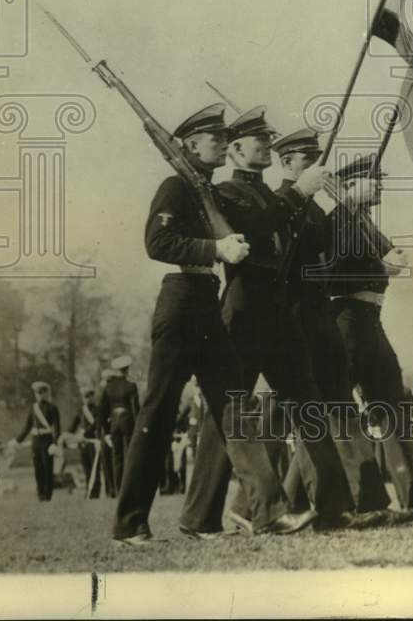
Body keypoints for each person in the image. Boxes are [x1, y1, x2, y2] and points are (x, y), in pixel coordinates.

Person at [113, 103, 317, 545]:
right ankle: (129, 523)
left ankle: (263, 514)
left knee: (235, 408)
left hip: (206, 302)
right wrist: (215, 250)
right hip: (181, 300)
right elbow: (158, 241)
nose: (225, 143)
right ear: (189, 145)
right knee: (159, 411)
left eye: (226, 137)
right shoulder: (176, 186)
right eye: (216, 138)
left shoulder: (205, 189)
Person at [181, 107, 359, 534]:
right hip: (245, 308)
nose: (267, 146)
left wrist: (331, 202)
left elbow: (303, 237)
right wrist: (298, 194)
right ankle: (201, 515)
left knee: (308, 402)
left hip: (279, 309)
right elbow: (257, 226)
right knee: (229, 413)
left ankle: (333, 507)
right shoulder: (228, 193)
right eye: (260, 141)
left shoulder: (268, 195)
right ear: (240, 149)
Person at [326, 152, 413, 520]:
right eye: (374, 180)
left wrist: (390, 259)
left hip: (370, 321)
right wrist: (379, 265)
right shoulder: (337, 221)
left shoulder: (363, 222)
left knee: (395, 408)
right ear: (350, 185)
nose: (381, 185)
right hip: (347, 322)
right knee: (337, 413)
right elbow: (330, 275)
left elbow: (385, 256)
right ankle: (309, 501)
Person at [268, 128, 391, 518]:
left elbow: (328, 249)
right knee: (311, 415)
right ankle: (293, 505)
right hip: (297, 318)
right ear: (287, 162)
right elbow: (300, 262)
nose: (317, 165)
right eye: (307, 158)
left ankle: (363, 502)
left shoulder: (314, 208)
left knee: (336, 410)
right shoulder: (280, 205)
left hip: (319, 316)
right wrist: (348, 206)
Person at [99, 356, 140, 494]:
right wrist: (137, 427)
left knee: (116, 457)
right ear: (127, 369)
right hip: (127, 421)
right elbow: (135, 409)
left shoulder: (108, 388)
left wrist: (106, 431)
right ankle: (130, 488)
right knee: (130, 454)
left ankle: (118, 489)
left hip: (114, 423)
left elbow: (102, 411)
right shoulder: (131, 386)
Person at [15, 381, 60, 501]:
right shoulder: (33, 408)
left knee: (47, 468)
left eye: (42, 392)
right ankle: (40, 494)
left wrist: (55, 443)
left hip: (47, 440)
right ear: (35, 394)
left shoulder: (52, 408)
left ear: (46, 393)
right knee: (38, 468)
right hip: (36, 441)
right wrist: (17, 440)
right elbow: (27, 427)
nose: (40, 395)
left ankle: (48, 495)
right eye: (38, 393)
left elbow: (57, 427)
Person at [69, 385, 101, 498]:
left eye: (89, 396)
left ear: (93, 396)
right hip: (83, 443)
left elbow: (96, 424)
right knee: (86, 467)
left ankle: (95, 492)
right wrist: (68, 435)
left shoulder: (98, 410)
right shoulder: (80, 410)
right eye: (84, 396)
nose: (87, 398)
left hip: (93, 441)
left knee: (95, 468)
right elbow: (73, 425)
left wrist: (84, 433)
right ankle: (88, 490)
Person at [97, 369, 117, 497]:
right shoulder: (103, 395)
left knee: (116, 461)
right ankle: (110, 490)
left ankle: (115, 488)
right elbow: (100, 416)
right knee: (106, 463)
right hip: (106, 433)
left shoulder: (114, 394)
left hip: (114, 431)